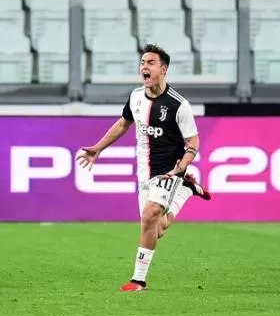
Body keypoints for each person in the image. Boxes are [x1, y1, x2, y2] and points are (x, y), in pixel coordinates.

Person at [76, 44, 211, 292]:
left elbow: (193, 142)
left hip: (169, 171)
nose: (144, 67)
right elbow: (122, 124)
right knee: (155, 228)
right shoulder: (136, 97)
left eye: (150, 63)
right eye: (142, 63)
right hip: (144, 174)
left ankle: (138, 280)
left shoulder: (178, 105)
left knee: (149, 216)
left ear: (163, 69)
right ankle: (187, 191)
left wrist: (180, 167)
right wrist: (98, 147)